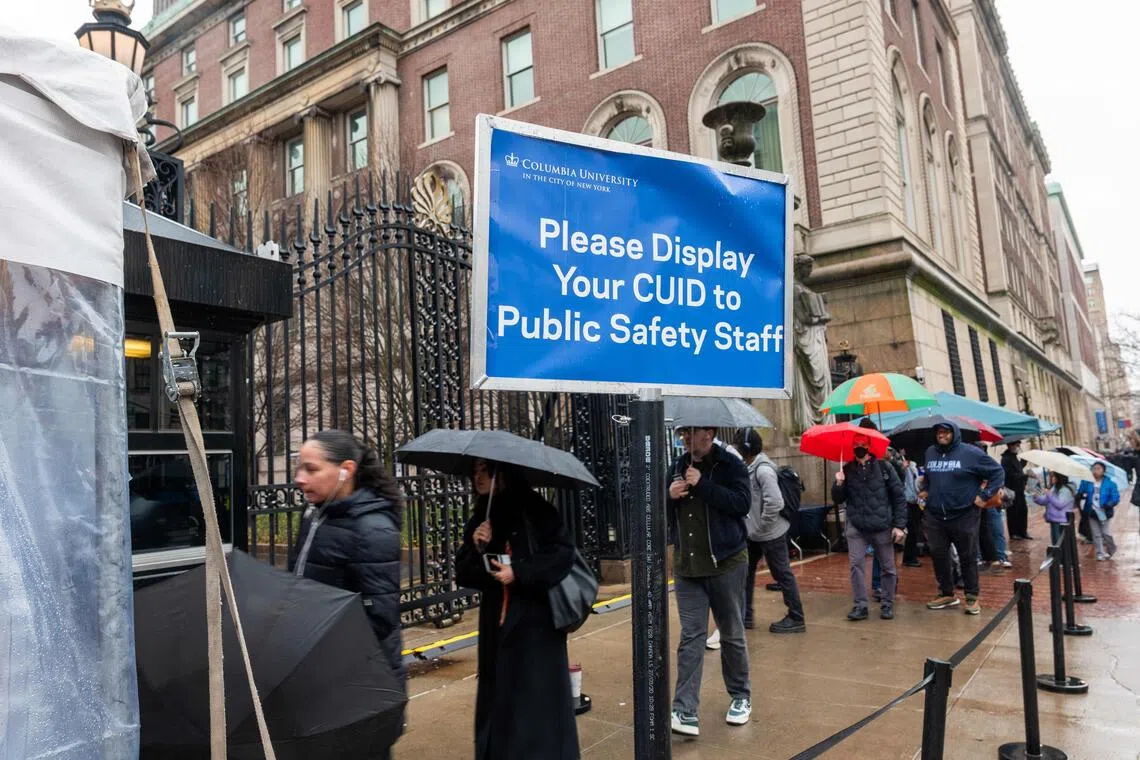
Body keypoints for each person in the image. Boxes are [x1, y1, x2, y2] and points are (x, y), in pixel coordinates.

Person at [290, 430, 406, 760]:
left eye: (311, 469)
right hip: (318, 675)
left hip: (357, 686)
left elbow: (379, 618)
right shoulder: (316, 516)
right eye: (299, 468)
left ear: (346, 470)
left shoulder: (372, 529)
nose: (299, 479)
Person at [454, 460, 579, 760]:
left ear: (503, 474)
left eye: (485, 471)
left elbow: (561, 554)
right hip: (497, 624)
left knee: (534, 703)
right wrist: (476, 545)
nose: (477, 477)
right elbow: (464, 572)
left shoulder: (536, 509)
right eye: (475, 472)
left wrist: (519, 573)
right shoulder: (483, 514)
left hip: (533, 623)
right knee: (500, 700)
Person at [667, 426, 752, 737]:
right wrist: (669, 496)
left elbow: (742, 504)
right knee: (691, 637)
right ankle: (684, 710)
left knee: (731, 633)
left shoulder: (731, 465)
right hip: (688, 567)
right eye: (683, 434)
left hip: (726, 564)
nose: (688, 439)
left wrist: (703, 485)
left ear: (710, 433)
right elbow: (663, 515)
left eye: (694, 433)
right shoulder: (676, 466)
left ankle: (741, 696)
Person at [921, 420, 1004, 616]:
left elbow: (997, 472)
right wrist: (926, 490)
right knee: (939, 555)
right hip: (935, 515)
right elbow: (929, 477)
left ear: (954, 433)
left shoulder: (971, 453)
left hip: (964, 514)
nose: (941, 435)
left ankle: (972, 597)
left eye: (945, 432)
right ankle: (947, 593)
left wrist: (984, 496)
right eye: (938, 432)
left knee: (967, 556)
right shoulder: (930, 453)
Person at [832, 433, 907, 621]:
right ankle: (860, 605)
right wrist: (838, 483)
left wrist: (899, 525)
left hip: (881, 525)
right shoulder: (847, 470)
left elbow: (899, 497)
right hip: (857, 526)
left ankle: (887, 603)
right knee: (856, 565)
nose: (859, 447)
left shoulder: (884, 468)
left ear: (869, 447)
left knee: (888, 567)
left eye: (862, 444)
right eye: (855, 444)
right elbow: (837, 498)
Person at [737, 429, 806, 633]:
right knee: (745, 573)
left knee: (782, 573)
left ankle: (796, 617)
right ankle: (745, 615)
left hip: (771, 533)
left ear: (745, 450)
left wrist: (762, 524)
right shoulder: (751, 466)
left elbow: (775, 502)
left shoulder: (763, 470)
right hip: (756, 534)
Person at [1077, 463, 1120, 560]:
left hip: (1104, 512)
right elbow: (1080, 492)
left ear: (1103, 471)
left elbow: (1115, 497)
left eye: (1098, 469)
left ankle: (1111, 549)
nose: (1095, 471)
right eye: (1094, 469)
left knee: (1105, 533)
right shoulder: (1087, 482)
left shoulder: (1110, 484)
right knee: (1096, 534)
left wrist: (1110, 503)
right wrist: (1080, 494)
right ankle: (1100, 553)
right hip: (1091, 511)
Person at [1035, 472, 1077, 547]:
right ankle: (1057, 557)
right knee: (1055, 543)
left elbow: (1059, 504)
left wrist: (1049, 494)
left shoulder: (1066, 490)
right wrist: (1036, 497)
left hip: (1061, 521)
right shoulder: (1054, 487)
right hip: (1053, 519)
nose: (1051, 478)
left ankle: (1062, 558)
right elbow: (1045, 500)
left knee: (1060, 544)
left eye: (1054, 476)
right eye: (1051, 476)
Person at [1001, 440, 1032, 540]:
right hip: (1012, 490)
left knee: (1023, 510)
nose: (1018, 447)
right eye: (1017, 445)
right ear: (1010, 445)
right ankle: (1014, 533)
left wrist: (1023, 463)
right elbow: (1010, 475)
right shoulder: (1005, 459)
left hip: (1020, 489)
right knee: (1013, 512)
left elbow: (1017, 469)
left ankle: (1023, 531)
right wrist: (1024, 476)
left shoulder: (1014, 457)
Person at [900, 449, 923, 568]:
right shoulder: (901, 465)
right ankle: (909, 558)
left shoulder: (914, 467)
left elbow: (916, 484)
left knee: (914, 530)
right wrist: (902, 469)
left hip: (915, 501)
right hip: (906, 501)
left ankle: (910, 557)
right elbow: (901, 482)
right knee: (912, 529)